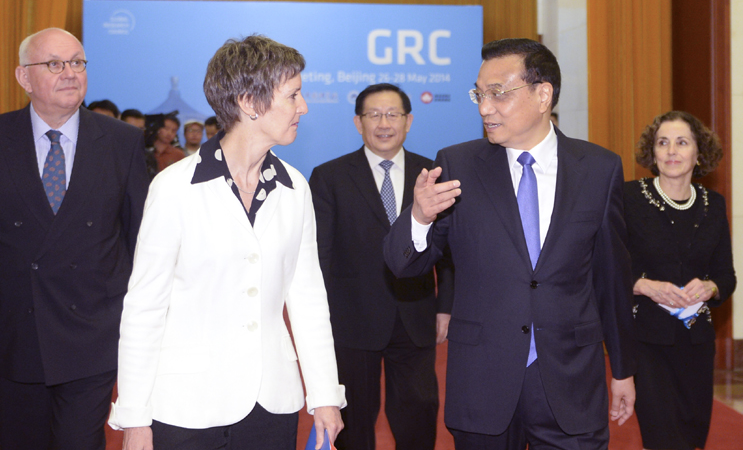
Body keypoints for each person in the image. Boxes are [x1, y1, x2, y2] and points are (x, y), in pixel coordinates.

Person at [384, 38, 636, 450]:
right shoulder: (458, 164)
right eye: (479, 95)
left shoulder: (599, 168)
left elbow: (611, 279)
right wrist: (419, 217)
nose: (485, 108)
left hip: (570, 381)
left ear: (543, 95)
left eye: (498, 93)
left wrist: (623, 369)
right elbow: (403, 265)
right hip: (483, 381)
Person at [110, 35, 345, 450]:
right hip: (186, 407)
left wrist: (325, 394)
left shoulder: (295, 187)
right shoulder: (174, 188)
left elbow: (308, 297)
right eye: (293, 95)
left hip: (272, 403)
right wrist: (134, 417)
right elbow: (145, 308)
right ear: (249, 102)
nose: (304, 107)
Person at [0, 27, 148, 450]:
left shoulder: (121, 141)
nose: (70, 73)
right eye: (54, 64)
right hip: (15, 335)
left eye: (77, 62)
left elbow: (138, 238)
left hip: (92, 333)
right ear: (24, 77)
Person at [309, 83, 453, 450]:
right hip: (352, 318)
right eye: (374, 115)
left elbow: (448, 250)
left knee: (418, 414)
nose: (383, 123)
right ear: (358, 122)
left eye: (392, 114)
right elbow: (320, 255)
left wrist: (446, 306)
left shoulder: (432, 174)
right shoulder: (329, 177)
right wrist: (319, 317)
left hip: (415, 312)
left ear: (408, 121)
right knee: (354, 422)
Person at [624, 110, 736, 450]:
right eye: (663, 143)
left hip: (697, 340)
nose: (671, 151)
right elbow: (605, 266)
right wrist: (644, 285)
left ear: (698, 152)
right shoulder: (629, 198)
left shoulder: (713, 205)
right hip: (647, 339)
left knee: (690, 437)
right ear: (653, 152)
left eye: (682, 142)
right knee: (662, 437)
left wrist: (710, 287)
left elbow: (726, 276)